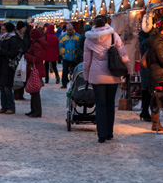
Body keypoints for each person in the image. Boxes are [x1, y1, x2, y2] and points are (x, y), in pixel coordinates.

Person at [84, 15, 130, 143]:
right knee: (110, 104)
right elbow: (123, 54)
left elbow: (87, 61)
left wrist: (87, 76)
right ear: (106, 23)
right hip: (112, 73)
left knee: (100, 104)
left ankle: (101, 134)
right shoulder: (113, 36)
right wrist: (128, 69)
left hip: (96, 75)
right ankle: (109, 132)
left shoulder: (88, 39)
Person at [146, 17, 163, 131]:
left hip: (155, 72)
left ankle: (155, 124)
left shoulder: (155, 41)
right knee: (157, 99)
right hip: (159, 73)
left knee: (155, 98)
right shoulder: (159, 43)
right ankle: (156, 124)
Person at [0, 22, 19, 114]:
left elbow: (13, 54)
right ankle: (3, 107)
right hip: (0, 65)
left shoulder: (12, 39)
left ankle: (11, 107)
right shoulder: (2, 38)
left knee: (7, 88)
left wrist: (1, 50)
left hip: (8, 66)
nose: (1, 30)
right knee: (1, 88)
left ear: (8, 30)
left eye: (3, 29)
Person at [24, 28, 47, 117]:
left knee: (35, 91)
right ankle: (33, 110)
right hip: (35, 69)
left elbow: (37, 58)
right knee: (33, 91)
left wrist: (27, 56)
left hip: (36, 69)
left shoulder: (37, 45)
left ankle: (37, 111)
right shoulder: (37, 43)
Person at [59, 23, 80, 89]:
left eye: (70, 30)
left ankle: (75, 84)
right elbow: (61, 46)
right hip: (66, 57)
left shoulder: (77, 36)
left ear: (73, 29)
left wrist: (77, 53)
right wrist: (64, 53)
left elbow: (79, 46)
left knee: (75, 71)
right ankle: (64, 84)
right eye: (68, 30)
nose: (69, 32)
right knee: (65, 71)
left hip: (74, 57)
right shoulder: (63, 36)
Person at [138, 30, 152, 122]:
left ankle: (144, 110)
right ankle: (145, 111)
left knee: (145, 89)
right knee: (149, 90)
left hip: (144, 68)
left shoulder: (142, 42)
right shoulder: (146, 43)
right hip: (148, 68)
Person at [14, 21, 29, 100]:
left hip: (24, 58)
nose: (25, 29)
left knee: (23, 75)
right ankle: (16, 94)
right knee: (17, 75)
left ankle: (21, 94)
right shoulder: (15, 36)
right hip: (17, 57)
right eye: (23, 27)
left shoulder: (26, 36)